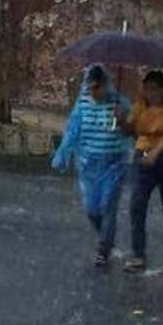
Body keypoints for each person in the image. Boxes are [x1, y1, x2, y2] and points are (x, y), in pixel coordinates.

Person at [51, 64, 132, 268]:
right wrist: (63, 152)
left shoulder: (119, 103)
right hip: (88, 164)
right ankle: (106, 238)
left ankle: (103, 250)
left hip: (113, 164)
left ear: (105, 86)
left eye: (97, 88)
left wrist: (122, 121)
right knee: (92, 209)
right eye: (90, 88)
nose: (93, 92)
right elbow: (73, 129)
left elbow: (133, 130)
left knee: (108, 206)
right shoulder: (83, 104)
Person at [123, 71, 163, 276]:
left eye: (155, 89)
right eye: (147, 89)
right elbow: (131, 130)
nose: (151, 94)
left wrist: (155, 153)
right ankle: (138, 254)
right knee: (137, 205)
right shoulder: (140, 105)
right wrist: (121, 121)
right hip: (142, 156)